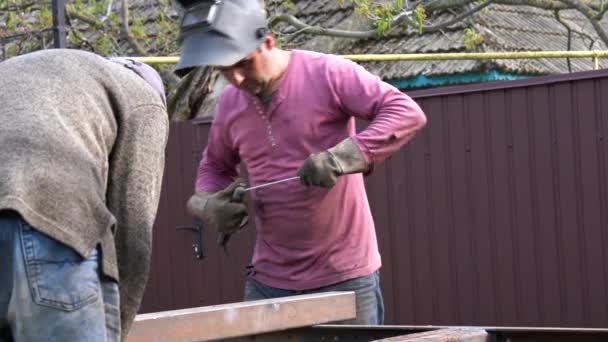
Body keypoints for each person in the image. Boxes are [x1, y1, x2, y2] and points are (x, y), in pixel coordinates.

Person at [176, 0, 427, 324]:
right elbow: (214, 167)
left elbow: (405, 111)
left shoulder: (328, 73)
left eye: (242, 63)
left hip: (344, 278)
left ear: (267, 41)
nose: (236, 78)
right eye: (224, 68)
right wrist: (211, 202)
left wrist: (342, 157)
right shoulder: (229, 105)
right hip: (268, 282)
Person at [0, 49, 169, 341]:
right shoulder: (144, 100)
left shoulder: (59, 75)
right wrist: (117, 328)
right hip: (48, 219)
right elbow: (133, 229)